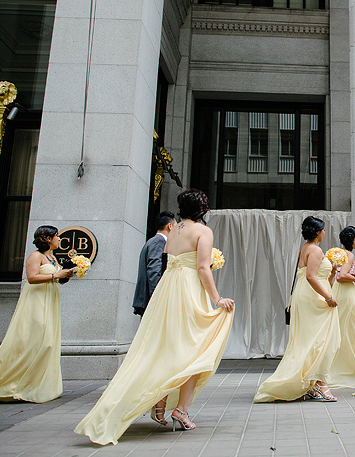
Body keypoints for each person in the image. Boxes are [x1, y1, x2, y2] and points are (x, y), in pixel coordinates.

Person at [75, 189, 235, 445]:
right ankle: (180, 409)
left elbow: (172, 261)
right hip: (188, 290)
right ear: (202, 209)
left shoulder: (173, 230)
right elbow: (203, 267)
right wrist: (217, 298)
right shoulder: (203, 231)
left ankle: (160, 403)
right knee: (196, 349)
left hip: (168, 290)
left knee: (164, 348)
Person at [0, 226, 74, 405]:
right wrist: (57, 274)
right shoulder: (35, 256)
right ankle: (9, 383)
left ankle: (37, 384)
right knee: (37, 340)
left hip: (50, 300)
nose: (59, 239)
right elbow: (31, 278)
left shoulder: (52, 257)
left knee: (48, 342)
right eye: (57, 236)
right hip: (36, 302)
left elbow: (56, 278)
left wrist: (67, 274)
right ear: (47, 238)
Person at [254, 216, 340, 402]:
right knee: (323, 340)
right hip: (314, 299)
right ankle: (319, 384)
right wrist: (329, 297)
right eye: (323, 230)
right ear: (317, 232)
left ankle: (313, 382)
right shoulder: (315, 250)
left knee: (310, 340)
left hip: (306, 295)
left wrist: (331, 273)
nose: (325, 232)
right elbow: (311, 276)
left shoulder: (305, 248)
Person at [328, 226, 355, 388]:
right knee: (353, 329)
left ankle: (339, 367)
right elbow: (341, 276)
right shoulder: (348, 255)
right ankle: (349, 371)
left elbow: (333, 274)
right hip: (347, 294)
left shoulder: (339, 254)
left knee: (342, 329)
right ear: (352, 240)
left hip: (339, 292)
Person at [132, 211, 176, 316]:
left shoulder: (155, 241)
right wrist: (157, 299)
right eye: (176, 226)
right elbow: (154, 271)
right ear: (170, 226)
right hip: (151, 299)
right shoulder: (158, 242)